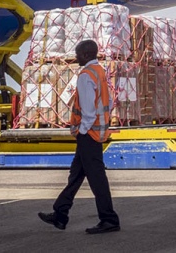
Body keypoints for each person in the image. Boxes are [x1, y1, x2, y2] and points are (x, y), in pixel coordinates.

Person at [38, 39, 120, 235]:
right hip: (96, 132)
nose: (75, 58)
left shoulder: (85, 75)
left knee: (96, 178)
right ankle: (60, 213)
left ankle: (109, 219)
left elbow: (89, 110)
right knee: (76, 175)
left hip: (88, 133)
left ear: (84, 55)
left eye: (77, 54)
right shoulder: (99, 71)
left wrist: (82, 132)